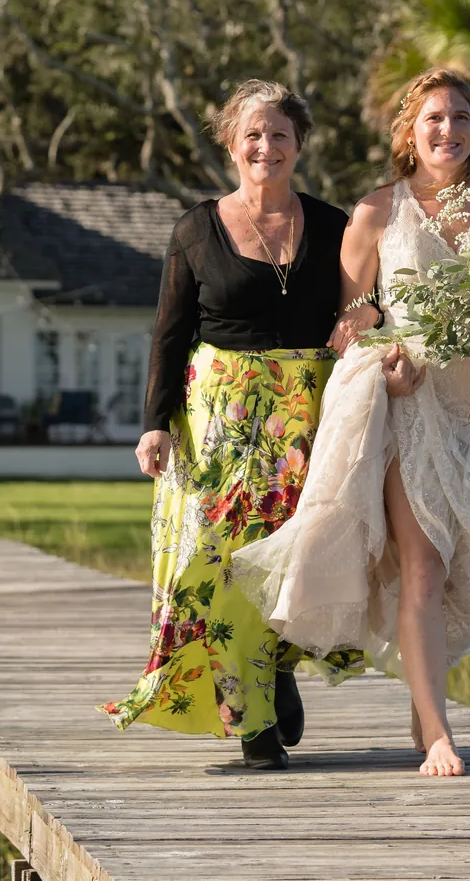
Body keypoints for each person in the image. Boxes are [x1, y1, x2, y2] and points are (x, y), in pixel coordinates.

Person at [233, 68, 470, 777]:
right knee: (423, 569)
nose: (447, 131)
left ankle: (421, 703)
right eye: (433, 118)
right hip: (410, 403)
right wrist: (383, 352)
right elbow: (352, 320)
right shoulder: (375, 213)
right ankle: (437, 732)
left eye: (460, 117)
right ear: (409, 131)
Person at [99, 79, 364, 770]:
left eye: (279, 134)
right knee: (221, 564)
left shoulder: (335, 226)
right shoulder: (195, 229)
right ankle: (252, 722)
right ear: (230, 144)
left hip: (309, 414)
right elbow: (168, 334)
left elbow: (365, 310)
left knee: (299, 552)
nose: (265, 147)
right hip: (220, 422)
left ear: (299, 144)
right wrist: (155, 424)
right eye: (252, 134)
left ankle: (277, 667)